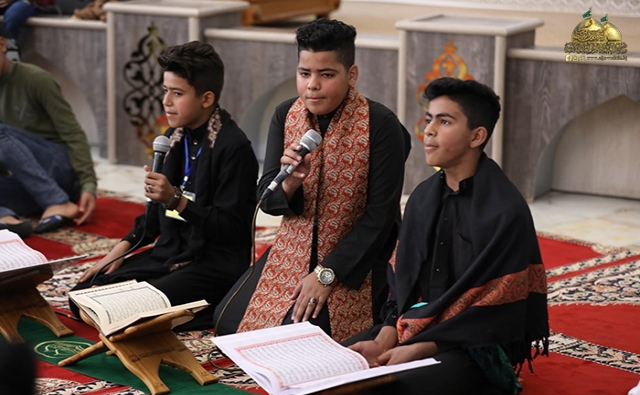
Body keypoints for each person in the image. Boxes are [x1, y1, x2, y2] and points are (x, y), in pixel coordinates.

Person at [346, 77, 549, 395]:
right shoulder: (423, 197)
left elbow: (495, 314)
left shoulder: (505, 211)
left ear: (477, 136)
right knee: (339, 365)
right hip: (415, 326)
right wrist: (386, 336)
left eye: (444, 121)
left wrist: (421, 347)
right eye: (429, 119)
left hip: (477, 347)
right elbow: (403, 284)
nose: (429, 131)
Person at [214, 18, 411, 343]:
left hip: (356, 257)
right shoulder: (285, 115)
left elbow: (380, 216)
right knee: (228, 323)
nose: (312, 86)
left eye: (326, 75)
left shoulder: (381, 125)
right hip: (294, 247)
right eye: (304, 73)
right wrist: (290, 183)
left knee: (304, 338)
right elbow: (267, 198)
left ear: (352, 75)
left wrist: (326, 274)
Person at [69, 41, 259, 331]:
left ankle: (211, 307)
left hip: (213, 264)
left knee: (121, 309)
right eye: (165, 91)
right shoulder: (173, 138)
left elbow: (231, 228)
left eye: (177, 93)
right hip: (170, 255)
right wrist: (115, 255)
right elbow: (153, 220)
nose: (166, 101)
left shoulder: (233, 147)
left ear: (206, 98)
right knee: (83, 294)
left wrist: (176, 201)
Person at [0, 23, 97, 239]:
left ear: (2, 45)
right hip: (24, 184)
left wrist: (88, 185)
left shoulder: (35, 79)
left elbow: (73, 133)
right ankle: (8, 220)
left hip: (58, 171)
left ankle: (57, 202)